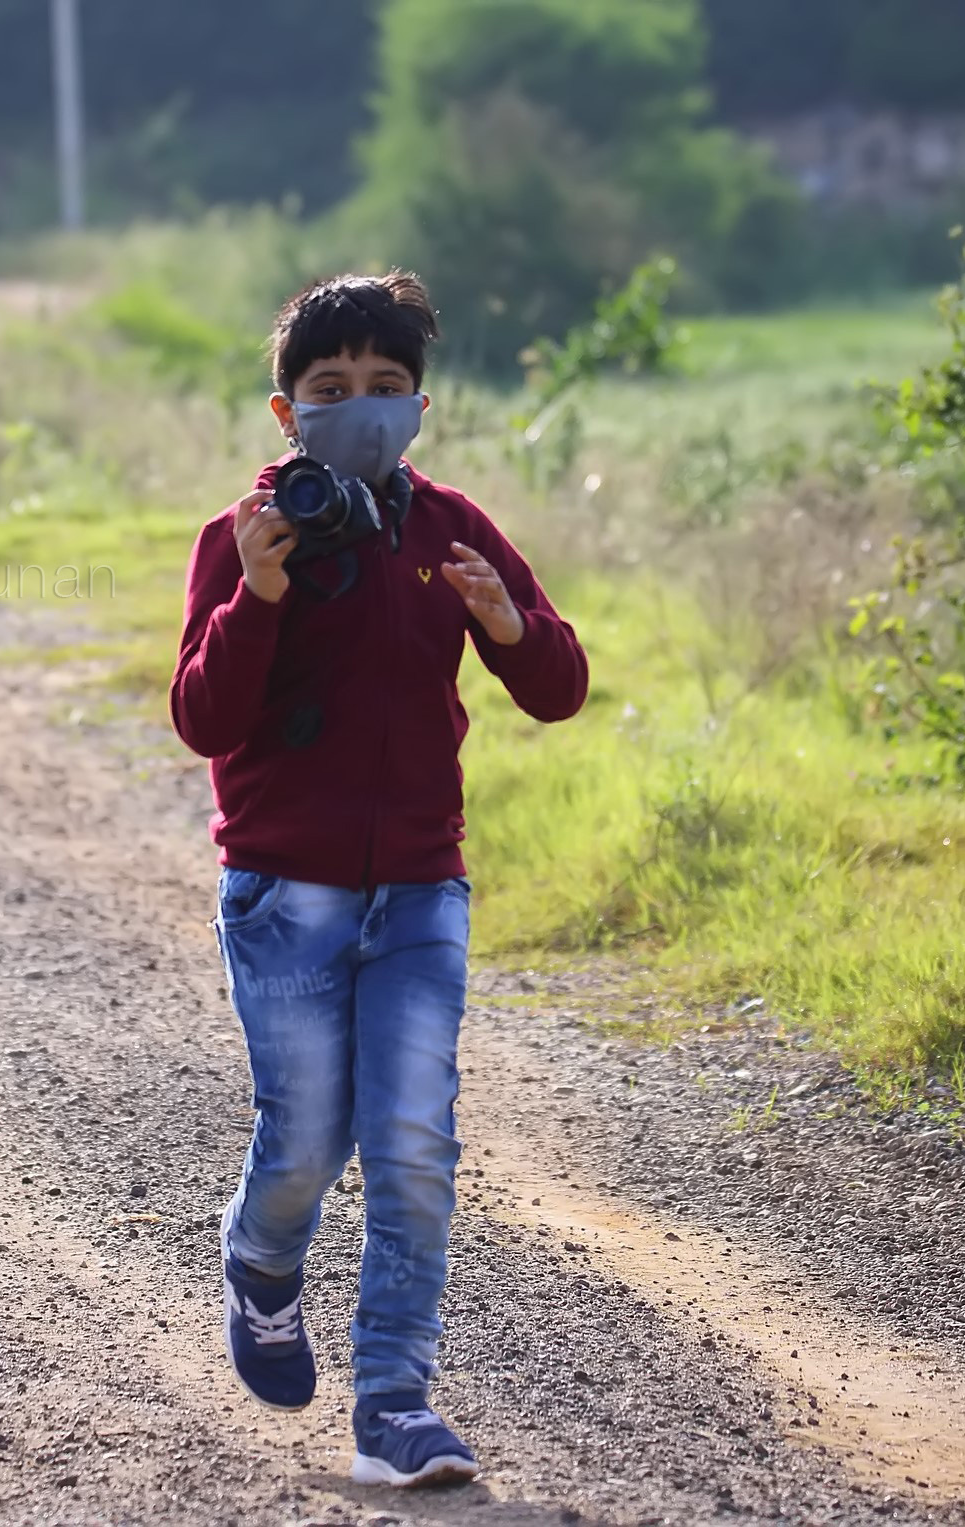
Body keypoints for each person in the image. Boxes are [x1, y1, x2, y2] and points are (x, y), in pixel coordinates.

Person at [168, 270, 588, 1488]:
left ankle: (394, 1405)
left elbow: (559, 688)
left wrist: (506, 626)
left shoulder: (450, 527)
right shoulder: (244, 538)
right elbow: (202, 719)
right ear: (284, 410)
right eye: (331, 386)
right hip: (282, 893)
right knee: (305, 1142)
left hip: (417, 888)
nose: (359, 405)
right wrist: (258, 597)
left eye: (385, 385)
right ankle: (260, 1264)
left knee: (410, 1145)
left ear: (419, 406)